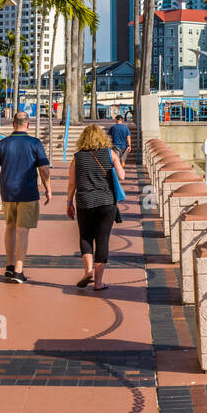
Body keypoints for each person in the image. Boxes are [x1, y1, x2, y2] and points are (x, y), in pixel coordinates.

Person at [0, 111, 51, 283]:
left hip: (8, 191)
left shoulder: (3, 143)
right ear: (28, 125)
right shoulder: (35, 143)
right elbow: (44, 169)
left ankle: (9, 266)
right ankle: (18, 270)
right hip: (28, 192)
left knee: (9, 226)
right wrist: (48, 189)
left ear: (13, 124)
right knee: (22, 230)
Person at [66, 124, 126, 291]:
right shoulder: (109, 153)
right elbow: (121, 176)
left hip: (85, 201)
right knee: (102, 240)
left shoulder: (77, 157)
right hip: (106, 202)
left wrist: (69, 202)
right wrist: (116, 163)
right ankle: (98, 282)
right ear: (102, 137)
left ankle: (88, 270)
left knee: (85, 237)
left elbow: (72, 183)